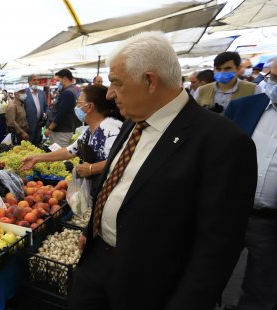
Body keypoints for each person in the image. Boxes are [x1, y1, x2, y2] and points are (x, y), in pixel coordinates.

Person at [67, 31, 257, 310]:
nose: (109, 94)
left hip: (149, 286)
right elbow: (116, 181)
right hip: (96, 267)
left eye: (116, 83)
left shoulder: (223, 142)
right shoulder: (134, 119)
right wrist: (93, 228)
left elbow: (216, 251)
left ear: (149, 81)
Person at [224, 64, 277, 310]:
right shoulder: (244, 108)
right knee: (208, 272)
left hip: (270, 221)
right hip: (228, 211)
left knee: (262, 287)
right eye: (273, 77)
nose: (273, 84)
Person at [21, 85, 123, 190]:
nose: (76, 106)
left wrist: (92, 169)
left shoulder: (109, 128)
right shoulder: (90, 130)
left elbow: (120, 160)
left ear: (90, 107)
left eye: (79, 103)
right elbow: (69, 151)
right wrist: (36, 158)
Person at [195, 52, 263, 112]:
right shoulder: (201, 91)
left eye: (227, 68)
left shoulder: (253, 90)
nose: (222, 72)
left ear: (238, 68)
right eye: (218, 69)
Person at [48, 69, 80, 147]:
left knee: (58, 156)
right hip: (64, 130)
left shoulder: (68, 93)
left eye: (59, 80)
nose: (58, 83)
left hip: (61, 132)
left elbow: (62, 114)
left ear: (65, 79)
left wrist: (50, 128)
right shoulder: (70, 90)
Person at [24, 75, 46, 144]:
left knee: (37, 144)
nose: (36, 82)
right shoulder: (24, 92)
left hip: (39, 124)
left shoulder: (41, 93)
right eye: (34, 80)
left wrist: (46, 113)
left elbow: (46, 106)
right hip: (28, 125)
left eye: (37, 80)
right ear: (29, 82)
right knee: (28, 145)